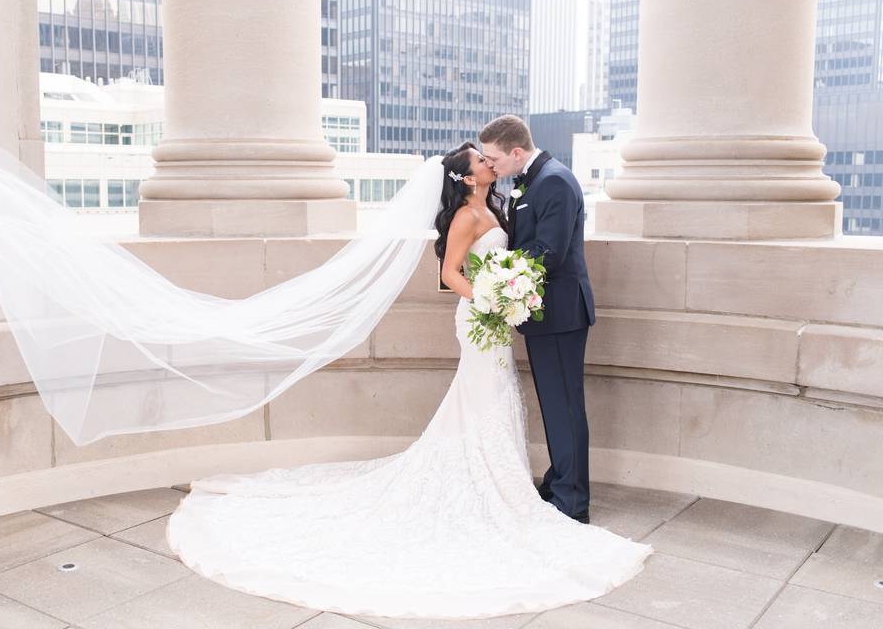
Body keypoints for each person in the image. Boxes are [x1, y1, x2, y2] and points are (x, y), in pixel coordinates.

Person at [166, 143, 650, 618]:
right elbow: (448, 272)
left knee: (495, 398)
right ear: (464, 177)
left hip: (499, 319)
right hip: (482, 318)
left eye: (490, 157)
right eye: (481, 161)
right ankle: (492, 482)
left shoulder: (497, 205)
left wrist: (506, 293)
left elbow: (519, 252)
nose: (487, 163)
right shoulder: (465, 216)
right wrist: (489, 298)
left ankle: (506, 479)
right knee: (485, 396)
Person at [481, 115, 596, 525]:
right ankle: (560, 479)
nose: (490, 166)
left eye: (494, 158)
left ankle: (573, 501)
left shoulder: (554, 182)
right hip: (546, 315)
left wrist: (499, 279)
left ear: (516, 152)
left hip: (562, 314)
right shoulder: (535, 180)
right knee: (554, 404)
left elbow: (550, 251)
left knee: (565, 406)